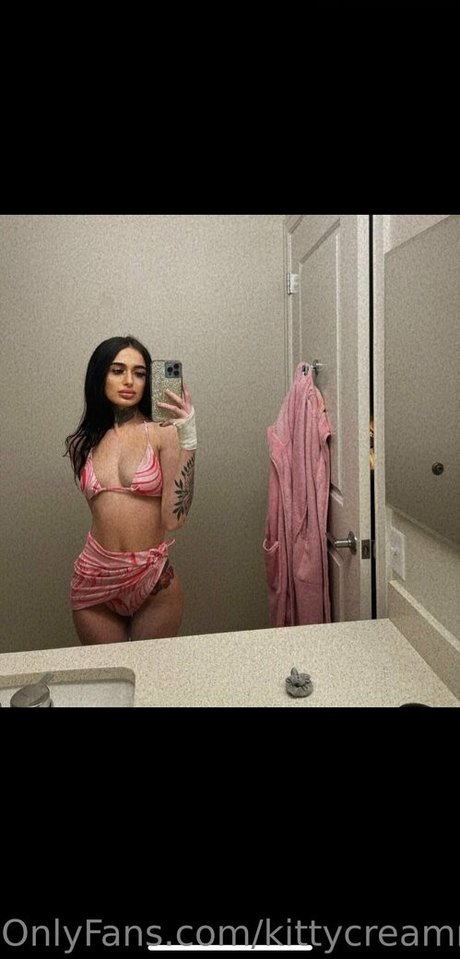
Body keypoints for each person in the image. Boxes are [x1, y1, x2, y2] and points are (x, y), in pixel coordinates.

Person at [64, 336, 197, 644]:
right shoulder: (81, 444)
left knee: (153, 672)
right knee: (109, 673)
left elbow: (174, 520)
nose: (129, 381)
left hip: (152, 581)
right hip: (94, 578)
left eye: (139, 373)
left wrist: (188, 440)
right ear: (100, 376)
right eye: (117, 370)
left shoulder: (163, 433)